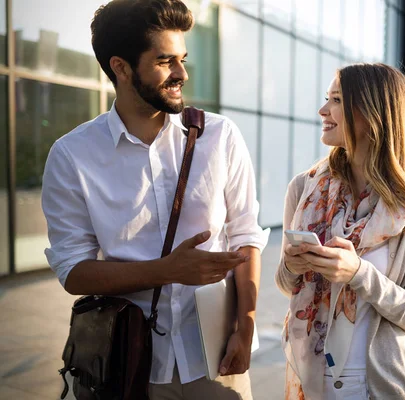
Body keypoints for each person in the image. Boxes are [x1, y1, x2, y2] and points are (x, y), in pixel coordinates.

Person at [41, 1, 268, 399]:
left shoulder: (220, 136)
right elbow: (73, 271)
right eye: (165, 61)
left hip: (216, 358)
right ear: (121, 67)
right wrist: (167, 270)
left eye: (182, 58)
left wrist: (245, 325)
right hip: (129, 364)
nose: (182, 73)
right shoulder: (72, 155)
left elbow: (245, 235)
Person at [276, 63, 405, 400]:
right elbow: (285, 284)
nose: (323, 110)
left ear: (372, 114)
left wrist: (358, 273)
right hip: (308, 376)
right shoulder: (304, 188)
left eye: (337, 100)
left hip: (376, 386)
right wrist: (292, 266)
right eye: (327, 98)